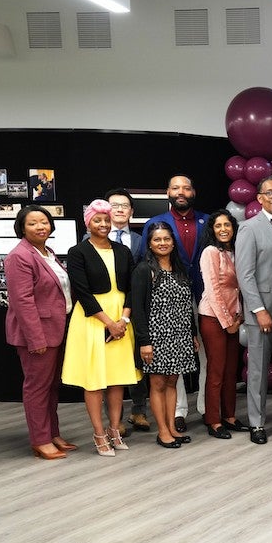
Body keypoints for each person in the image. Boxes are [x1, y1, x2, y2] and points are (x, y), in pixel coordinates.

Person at [62, 199, 140, 457]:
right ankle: (98, 433)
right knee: (95, 380)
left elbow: (131, 288)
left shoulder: (122, 251)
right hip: (93, 320)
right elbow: (83, 294)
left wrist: (123, 322)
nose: (104, 224)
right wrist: (109, 323)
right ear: (89, 223)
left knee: (117, 379)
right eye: (98, 220)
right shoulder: (78, 252)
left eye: (106, 220)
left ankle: (115, 429)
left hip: (121, 319)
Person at [138, 175, 209, 434]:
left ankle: (205, 407)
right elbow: (142, 264)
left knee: (204, 355)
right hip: (164, 301)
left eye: (186, 187)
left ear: (193, 191)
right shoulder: (156, 224)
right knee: (169, 367)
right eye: (176, 187)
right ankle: (178, 412)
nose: (181, 192)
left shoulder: (207, 220)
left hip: (203, 296)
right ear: (167, 191)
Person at [5, 205, 75, 459]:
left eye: (44, 222)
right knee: (37, 388)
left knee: (52, 386)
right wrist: (36, 339)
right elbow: (22, 302)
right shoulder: (19, 256)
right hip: (37, 335)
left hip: (56, 329)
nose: (40, 227)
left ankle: (52, 433)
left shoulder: (47, 252)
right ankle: (40, 439)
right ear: (22, 228)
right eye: (32, 223)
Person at [82, 188, 146, 436]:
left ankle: (138, 410)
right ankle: (113, 423)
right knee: (106, 369)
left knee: (133, 362)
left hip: (134, 308)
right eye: (114, 205)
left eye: (124, 206)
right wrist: (112, 321)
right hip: (102, 316)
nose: (119, 209)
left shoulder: (140, 240)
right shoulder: (85, 246)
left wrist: (127, 315)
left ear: (131, 211)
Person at [131, 222, 198, 449]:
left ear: (173, 242)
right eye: (157, 240)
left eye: (166, 239)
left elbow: (187, 306)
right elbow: (138, 309)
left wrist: (193, 334)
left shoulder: (180, 269)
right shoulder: (143, 270)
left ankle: (171, 427)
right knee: (158, 383)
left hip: (180, 335)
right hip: (156, 336)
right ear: (149, 243)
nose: (162, 243)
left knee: (173, 381)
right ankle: (162, 431)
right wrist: (144, 342)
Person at [234, 176, 272, 445]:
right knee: (257, 369)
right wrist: (258, 309)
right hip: (262, 312)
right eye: (270, 193)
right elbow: (244, 275)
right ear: (259, 198)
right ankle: (256, 422)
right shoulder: (248, 228)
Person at [198, 210, 245, 439]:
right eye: (218, 226)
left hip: (233, 319)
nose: (224, 229)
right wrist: (228, 323)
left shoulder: (235, 252)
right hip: (213, 318)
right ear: (212, 230)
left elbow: (239, 288)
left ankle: (229, 416)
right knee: (216, 371)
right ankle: (213, 420)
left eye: (227, 224)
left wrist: (239, 317)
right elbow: (213, 291)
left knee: (230, 371)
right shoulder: (210, 252)